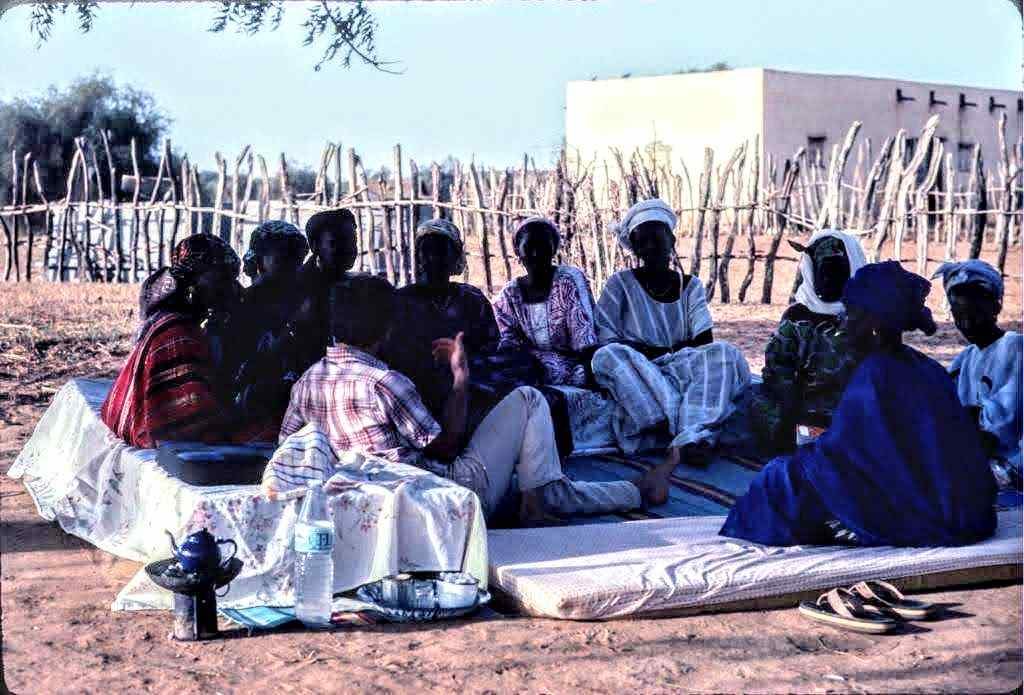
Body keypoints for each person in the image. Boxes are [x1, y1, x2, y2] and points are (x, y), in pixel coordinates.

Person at [279, 275, 675, 523]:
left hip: (367, 508)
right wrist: (460, 377)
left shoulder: (308, 382)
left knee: (532, 481)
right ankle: (600, 495)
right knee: (528, 400)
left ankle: (630, 490)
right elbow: (447, 447)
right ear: (384, 326)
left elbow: (289, 450)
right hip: (438, 499)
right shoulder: (384, 382)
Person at [721, 261, 997, 547]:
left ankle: (850, 524)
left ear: (874, 322)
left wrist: (808, 454)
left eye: (851, 313)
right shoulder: (924, 366)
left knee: (779, 478)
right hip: (957, 500)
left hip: (910, 497)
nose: (844, 320)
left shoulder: (875, 372)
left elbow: (851, 455)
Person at [590, 198, 750, 460]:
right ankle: (688, 431)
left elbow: (704, 342)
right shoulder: (620, 284)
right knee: (606, 357)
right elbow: (606, 338)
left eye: (658, 238)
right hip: (639, 371)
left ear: (672, 241)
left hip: (682, 367)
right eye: (643, 240)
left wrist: (661, 352)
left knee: (724, 353)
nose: (651, 246)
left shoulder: (690, 286)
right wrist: (646, 353)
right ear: (635, 248)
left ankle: (670, 428)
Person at [100, 234, 272, 448]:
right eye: (221, 279)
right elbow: (194, 418)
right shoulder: (178, 334)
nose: (230, 287)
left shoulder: (180, 321)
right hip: (159, 429)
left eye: (232, 278)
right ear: (192, 281)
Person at [383, 219, 540, 435]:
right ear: (418, 257)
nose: (433, 259)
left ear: (455, 257)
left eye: (441, 252)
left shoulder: (471, 298)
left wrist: (462, 360)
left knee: (523, 360)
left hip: (469, 371)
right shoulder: (400, 300)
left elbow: (492, 345)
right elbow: (392, 353)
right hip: (423, 377)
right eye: (426, 251)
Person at [750, 229, 867, 452]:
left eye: (837, 272)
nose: (828, 280)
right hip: (801, 410)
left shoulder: (866, 319)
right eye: (823, 272)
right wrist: (792, 407)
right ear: (810, 271)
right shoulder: (797, 317)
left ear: (853, 270)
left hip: (851, 412)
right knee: (756, 402)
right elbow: (777, 369)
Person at [933, 259, 1022, 489]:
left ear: (996, 307)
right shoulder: (966, 358)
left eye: (975, 313)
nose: (967, 323)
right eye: (958, 316)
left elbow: (1002, 423)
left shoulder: (1015, 348)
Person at [493, 217, 599, 387]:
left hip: (575, 366)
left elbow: (586, 342)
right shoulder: (509, 296)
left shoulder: (568, 280)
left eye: (543, 246)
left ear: (554, 249)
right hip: (531, 367)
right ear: (518, 252)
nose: (536, 254)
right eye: (529, 247)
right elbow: (507, 345)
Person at [232, 221, 311, 432]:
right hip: (254, 410)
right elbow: (242, 370)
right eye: (284, 257)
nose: (293, 265)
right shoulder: (243, 306)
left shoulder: (302, 299)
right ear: (259, 260)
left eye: (297, 259)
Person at [295, 209, 360, 370]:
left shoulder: (355, 286)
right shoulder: (297, 290)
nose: (350, 248)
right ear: (315, 246)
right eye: (336, 242)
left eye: (353, 241)